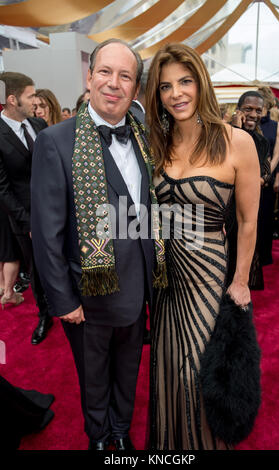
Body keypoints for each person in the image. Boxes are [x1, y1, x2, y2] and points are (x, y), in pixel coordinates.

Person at [31, 38, 165, 451]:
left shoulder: (146, 138)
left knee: (129, 368)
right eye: (105, 71)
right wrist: (63, 300)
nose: (113, 83)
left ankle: (121, 433)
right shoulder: (55, 140)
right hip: (87, 292)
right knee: (93, 374)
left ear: (136, 88)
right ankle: (100, 438)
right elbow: (46, 232)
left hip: (139, 285)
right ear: (89, 77)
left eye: (125, 76)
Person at [146, 43, 260, 450]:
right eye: (165, 86)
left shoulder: (238, 142)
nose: (176, 93)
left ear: (201, 84)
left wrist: (242, 280)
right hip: (164, 282)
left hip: (208, 278)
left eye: (185, 82)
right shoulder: (154, 144)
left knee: (202, 374)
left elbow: (248, 221)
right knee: (168, 371)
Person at [0, 72, 52, 344]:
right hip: (25, 220)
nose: (36, 100)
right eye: (30, 96)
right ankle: (45, 315)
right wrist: (29, 223)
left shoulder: (39, 124)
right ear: (12, 99)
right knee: (39, 272)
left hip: (57, 211)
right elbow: (3, 189)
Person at [229, 90, 271, 290]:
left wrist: (259, 180)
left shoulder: (262, 142)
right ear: (238, 111)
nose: (254, 114)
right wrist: (236, 130)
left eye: (258, 110)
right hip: (225, 208)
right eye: (248, 109)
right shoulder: (224, 134)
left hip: (247, 207)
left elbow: (265, 171)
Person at [257, 86, 279, 262]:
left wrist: (266, 175)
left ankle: (264, 255)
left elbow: (277, 154)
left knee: (265, 216)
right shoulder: (250, 123)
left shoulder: (277, 126)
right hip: (247, 178)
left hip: (266, 179)